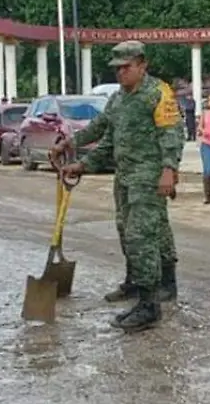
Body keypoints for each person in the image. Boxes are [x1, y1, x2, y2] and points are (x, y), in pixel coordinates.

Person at [53, 41, 183, 333]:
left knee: (141, 236)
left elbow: (172, 134)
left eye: (126, 67)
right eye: (117, 69)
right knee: (131, 230)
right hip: (125, 175)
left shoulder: (158, 94)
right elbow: (103, 134)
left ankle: (150, 305)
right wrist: (76, 154)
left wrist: (168, 170)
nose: (121, 73)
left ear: (142, 64)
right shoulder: (118, 99)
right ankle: (140, 284)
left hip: (149, 177)